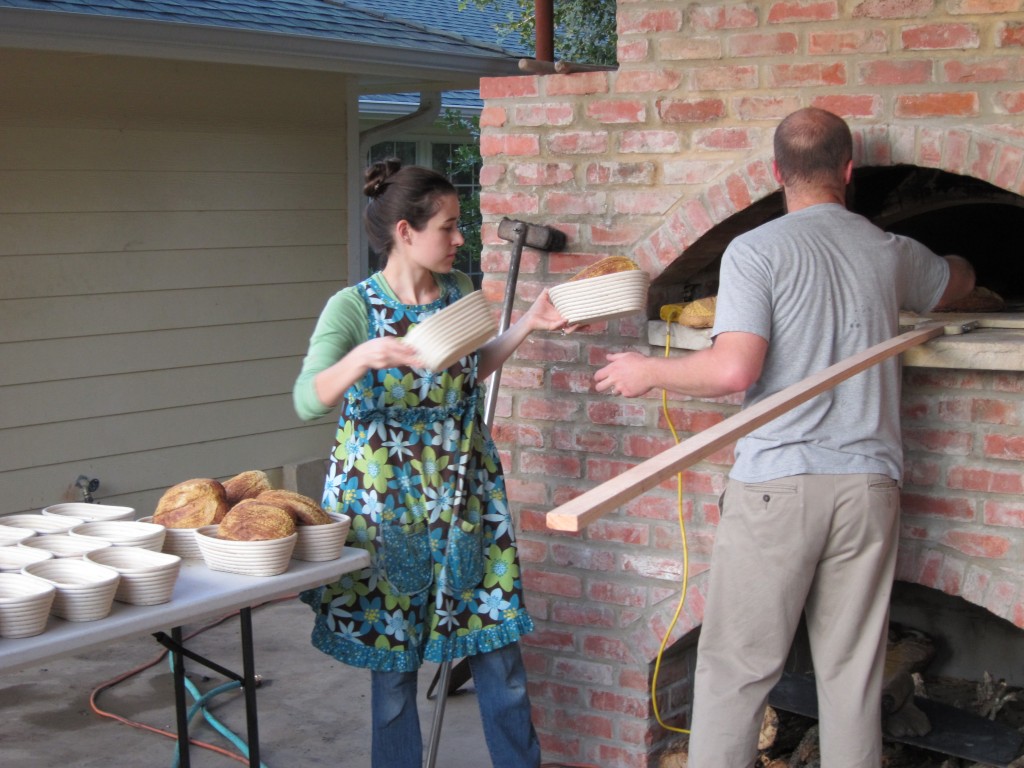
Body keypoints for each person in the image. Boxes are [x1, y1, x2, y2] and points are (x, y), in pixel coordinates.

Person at [594, 108, 975, 767]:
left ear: (777, 174)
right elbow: (957, 281)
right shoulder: (887, 251)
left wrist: (645, 370)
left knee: (736, 672)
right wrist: (968, 266)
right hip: (868, 487)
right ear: (848, 172)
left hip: (778, 488)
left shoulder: (756, 251)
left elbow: (734, 367)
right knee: (853, 678)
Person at [293, 159, 568, 768]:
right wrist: (363, 357)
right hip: (386, 506)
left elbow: (471, 370)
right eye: (449, 227)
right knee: (395, 673)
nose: (460, 239)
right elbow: (307, 397)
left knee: (499, 653)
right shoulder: (352, 308)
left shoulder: (462, 292)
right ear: (406, 233)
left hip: (465, 491)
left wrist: (527, 324)